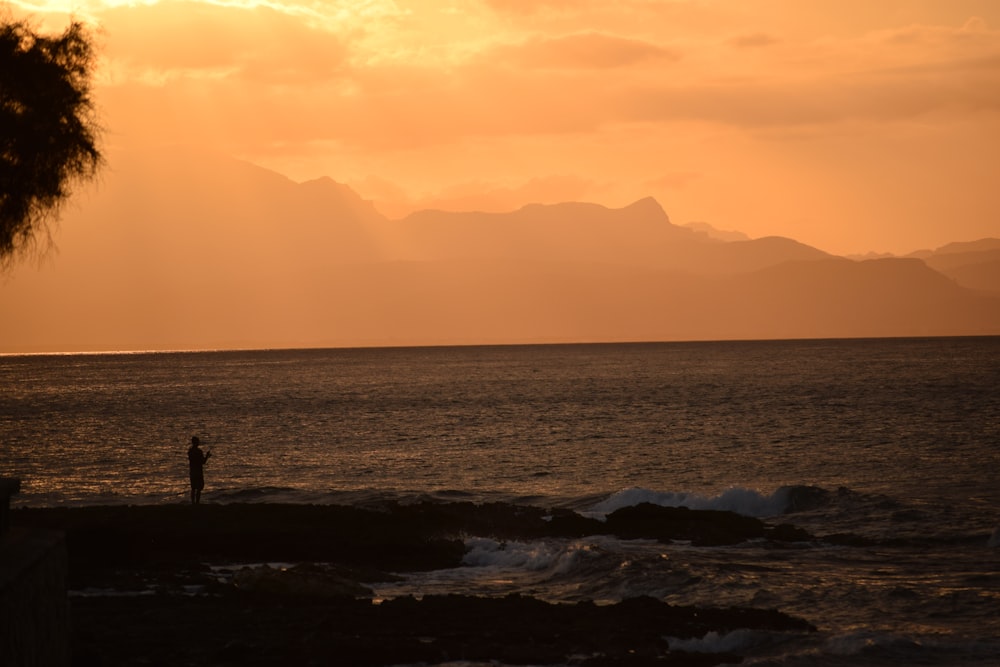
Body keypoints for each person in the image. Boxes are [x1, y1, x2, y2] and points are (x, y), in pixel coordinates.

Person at [187, 436, 211, 504]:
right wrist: (207, 456)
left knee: (193, 488)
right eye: (198, 442)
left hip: (192, 472)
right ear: (196, 442)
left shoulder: (190, 452)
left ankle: (193, 503)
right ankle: (197, 503)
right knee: (199, 488)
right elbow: (203, 462)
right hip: (198, 472)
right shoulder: (199, 451)